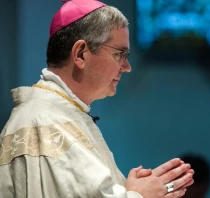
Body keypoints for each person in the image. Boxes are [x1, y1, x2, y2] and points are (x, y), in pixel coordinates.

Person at [0, 1, 194, 197]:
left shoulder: (59, 116)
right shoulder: (48, 124)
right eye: (120, 54)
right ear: (80, 54)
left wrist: (129, 191)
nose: (127, 67)